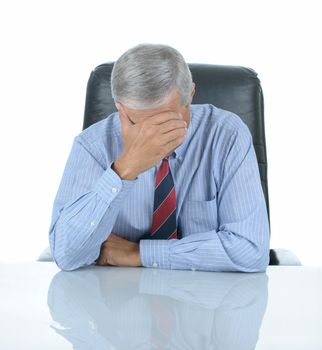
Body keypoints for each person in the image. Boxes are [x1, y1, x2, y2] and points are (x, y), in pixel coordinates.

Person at [48, 43, 270, 272]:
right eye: (138, 124)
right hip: (116, 298)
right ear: (120, 109)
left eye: (166, 121)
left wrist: (139, 253)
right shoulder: (92, 146)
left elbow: (251, 251)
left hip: (205, 299)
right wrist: (123, 170)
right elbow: (66, 255)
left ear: (190, 95)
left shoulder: (227, 135)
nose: (152, 137)